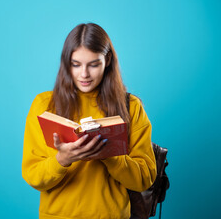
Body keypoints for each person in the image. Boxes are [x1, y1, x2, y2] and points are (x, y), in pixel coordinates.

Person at [22, 23, 156, 219]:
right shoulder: (44, 105)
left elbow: (144, 179)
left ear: (107, 60)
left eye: (93, 64)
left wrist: (110, 155)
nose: (84, 74)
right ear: (66, 62)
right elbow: (33, 176)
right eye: (75, 64)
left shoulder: (131, 107)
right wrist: (63, 160)